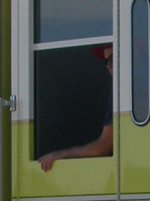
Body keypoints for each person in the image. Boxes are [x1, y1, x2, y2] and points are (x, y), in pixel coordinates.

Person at [38, 44, 115, 172]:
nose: (108, 66)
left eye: (111, 59)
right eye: (105, 62)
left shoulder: (125, 93)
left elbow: (102, 147)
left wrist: (60, 154)